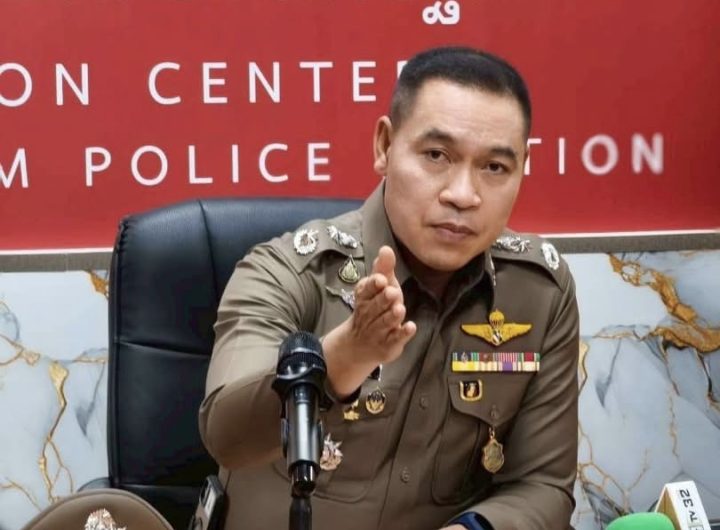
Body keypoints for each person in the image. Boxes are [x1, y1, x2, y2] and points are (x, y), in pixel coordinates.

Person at [199, 46, 579, 530]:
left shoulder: (539, 291)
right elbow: (226, 436)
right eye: (437, 156)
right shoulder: (288, 270)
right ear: (385, 146)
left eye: (494, 168)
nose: (463, 195)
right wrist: (346, 356)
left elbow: (543, 484)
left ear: (524, 167)